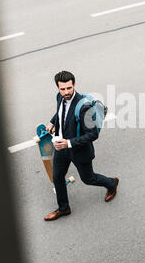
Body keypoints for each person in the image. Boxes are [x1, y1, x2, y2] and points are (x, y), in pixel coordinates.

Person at [44, 71, 119, 221]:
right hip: (62, 147)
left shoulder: (84, 107)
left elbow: (92, 134)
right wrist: (52, 122)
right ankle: (64, 208)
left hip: (79, 149)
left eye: (69, 88)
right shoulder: (59, 97)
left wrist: (69, 143)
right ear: (57, 88)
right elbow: (60, 112)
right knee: (57, 176)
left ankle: (112, 183)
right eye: (62, 89)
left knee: (88, 178)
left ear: (74, 85)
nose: (66, 92)